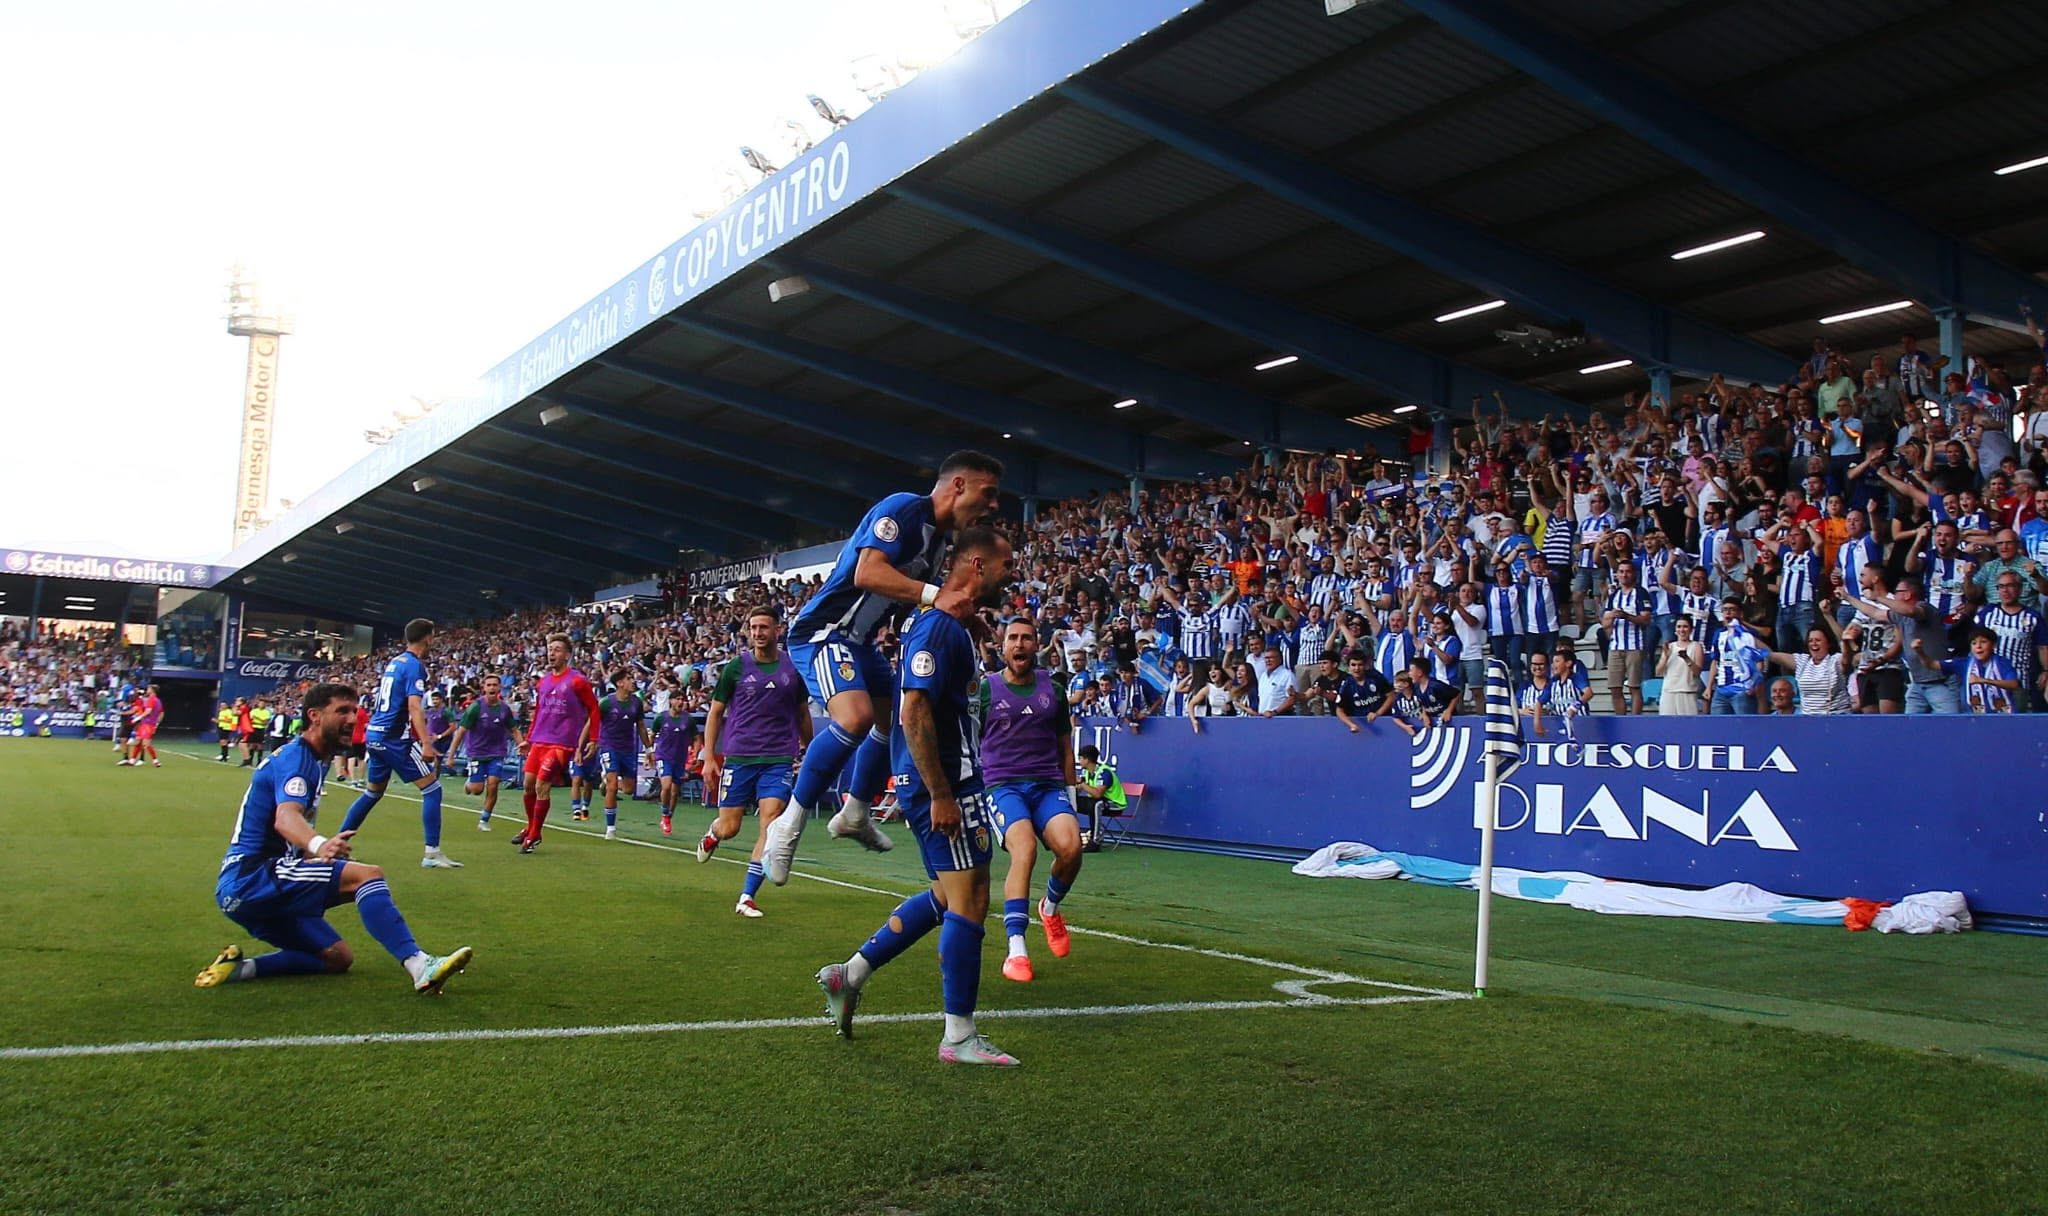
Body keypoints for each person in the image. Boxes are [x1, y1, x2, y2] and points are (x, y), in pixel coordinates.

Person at [812, 526, 1019, 1067]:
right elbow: (912, 712)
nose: (1010, 573)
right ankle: (958, 1036)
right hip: (944, 785)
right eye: (1005, 565)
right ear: (976, 565)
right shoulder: (938, 629)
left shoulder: (953, 628)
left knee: (947, 897)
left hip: (947, 781)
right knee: (969, 900)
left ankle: (849, 975)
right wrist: (940, 793)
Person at [766, 451, 1005, 884]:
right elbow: (867, 572)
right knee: (855, 717)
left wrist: (955, 615)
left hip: (861, 643)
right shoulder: (902, 509)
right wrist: (934, 595)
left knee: (892, 719)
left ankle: (856, 810)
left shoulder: (939, 542)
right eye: (988, 494)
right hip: (825, 631)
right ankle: (786, 826)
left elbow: (906, 599)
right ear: (958, 486)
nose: (993, 506)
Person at [194, 682, 472, 995]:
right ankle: (420, 965)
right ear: (314, 716)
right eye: (342, 711)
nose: (353, 719)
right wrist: (319, 845)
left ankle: (241, 969)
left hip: (244, 890)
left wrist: (310, 854)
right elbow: (285, 818)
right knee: (368, 876)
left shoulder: (312, 759)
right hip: (253, 877)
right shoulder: (297, 759)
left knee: (337, 958)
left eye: (354, 711)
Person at [980, 617, 1084, 983]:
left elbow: (1065, 747)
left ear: (1036, 644)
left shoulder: (1052, 690)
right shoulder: (986, 690)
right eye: (1013, 639)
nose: (1019, 644)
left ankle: (1050, 908)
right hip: (1003, 786)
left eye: (1026, 638)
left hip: (1046, 785)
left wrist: (1070, 794)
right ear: (1002, 646)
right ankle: (1016, 949)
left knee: (1072, 848)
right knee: (1025, 851)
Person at [697, 608, 812, 917]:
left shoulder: (792, 668)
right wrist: (709, 756)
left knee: (770, 821)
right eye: (753, 627)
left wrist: (811, 749)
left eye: (764, 627)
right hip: (739, 757)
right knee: (730, 827)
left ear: (778, 630)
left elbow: (802, 713)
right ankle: (713, 834)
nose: (758, 632)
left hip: (778, 758)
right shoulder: (736, 668)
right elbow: (715, 713)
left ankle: (747, 895)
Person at [337, 620, 461, 870]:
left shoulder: (395, 662)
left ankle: (337, 848)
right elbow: (414, 706)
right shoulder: (415, 666)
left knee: (372, 793)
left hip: (375, 734)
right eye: (433, 637)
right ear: (427, 638)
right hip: (394, 739)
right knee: (432, 789)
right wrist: (426, 742)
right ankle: (432, 853)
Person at [516, 633, 604, 852]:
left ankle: (534, 835)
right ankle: (530, 827)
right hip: (540, 741)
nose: (551, 653)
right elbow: (539, 712)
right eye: (550, 648)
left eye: (556, 649)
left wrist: (594, 738)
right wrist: (528, 739)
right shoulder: (544, 681)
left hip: (561, 743)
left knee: (541, 785)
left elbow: (594, 708)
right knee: (527, 785)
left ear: (567, 655)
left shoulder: (577, 681)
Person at [450, 673, 523, 832]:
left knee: (493, 784)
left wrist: (522, 744)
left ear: (499, 688)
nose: (491, 688)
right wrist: (451, 755)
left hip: (497, 752)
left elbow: (514, 730)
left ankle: (484, 819)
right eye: (488, 685)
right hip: (477, 751)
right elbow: (461, 732)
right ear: (484, 688)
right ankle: (469, 785)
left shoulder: (504, 709)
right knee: (477, 790)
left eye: (494, 685)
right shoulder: (475, 707)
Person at [594, 670, 652, 841]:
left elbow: (641, 726)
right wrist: (588, 743)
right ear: (619, 683)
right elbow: (592, 722)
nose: (632, 681)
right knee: (613, 787)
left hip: (628, 749)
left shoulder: (636, 703)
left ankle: (607, 781)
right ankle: (610, 828)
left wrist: (649, 750)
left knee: (629, 789)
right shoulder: (606, 703)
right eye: (628, 679)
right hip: (609, 746)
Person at [649, 694, 696, 837]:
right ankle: (664, 814)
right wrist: (649, 753)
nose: (680, 702)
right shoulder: (661, 718)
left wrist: (696, 754)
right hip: (664, 756)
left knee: (675, 792)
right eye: (677, 699)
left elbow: (696, 738)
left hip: (680, 759)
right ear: (671, 701)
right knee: (667, 786)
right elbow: (652, 735)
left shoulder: (688, 719)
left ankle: (668, 818)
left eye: (682, 699)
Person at [1654, 614, 1705, 715]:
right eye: (1679, 626)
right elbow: (1658, 672)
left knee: (1688, 726)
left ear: (1691, 629)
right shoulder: (1670, 646)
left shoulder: (1696, 646)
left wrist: (1687, 658)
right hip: (1669, 690)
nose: (1682, 630)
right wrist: (1666, 657)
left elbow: (1697, 672)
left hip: (1687, 690)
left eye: (1685, 626)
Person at [1333, 651, 1392, 733]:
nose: (1357, 668)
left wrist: (1377, 713)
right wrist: (1351, 724)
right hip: (1362, 726)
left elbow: (1391, 696)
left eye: (1360, 665)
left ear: (1365, 665)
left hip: (1384, 721)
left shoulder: (1375, 676)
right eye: (1353, 665)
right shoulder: (1346, 685)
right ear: (1348, 667)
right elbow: (1339, 710)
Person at [123, 684, 163, 768]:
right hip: (146, 723)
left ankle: (156, 761)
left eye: (149, 689)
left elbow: (148, 711)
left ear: (152, 690)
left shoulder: (151, 699)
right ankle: (132, 760)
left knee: (146, 744)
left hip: (148, 724)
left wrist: (138, 718)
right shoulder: (158, 700)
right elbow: (161, 712)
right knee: (138, 741)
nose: (147, 690)